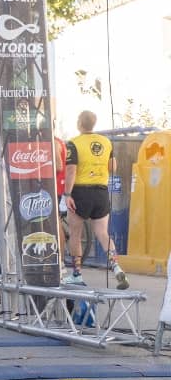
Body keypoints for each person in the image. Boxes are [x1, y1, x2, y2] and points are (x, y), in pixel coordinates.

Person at [64, 110, 129, 289]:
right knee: (102, 233)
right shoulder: (106, 142)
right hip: (101, 192)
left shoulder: (74, 143)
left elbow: (71, 170)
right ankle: (116, 267)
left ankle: (76, 274)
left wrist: (67, 194)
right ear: (94, 124)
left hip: (80, 192)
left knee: (75, 234)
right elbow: (113, 167)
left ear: (79, 123)